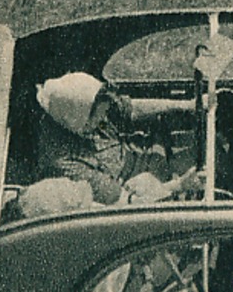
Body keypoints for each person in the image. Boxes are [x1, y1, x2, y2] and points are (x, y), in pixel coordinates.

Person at [34, 71, 204, 204]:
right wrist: (180, 185)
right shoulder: (65, 165)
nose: (103, 120)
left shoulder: (89, 104)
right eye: (96, 120)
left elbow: (131, 109)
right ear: (77, 121)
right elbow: (125, 202)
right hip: (140, 188)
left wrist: (187, 105)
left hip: (143, 155)